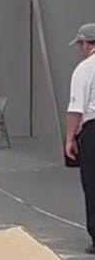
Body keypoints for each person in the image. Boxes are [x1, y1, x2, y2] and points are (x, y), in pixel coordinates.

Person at [64, 23, 95, 254]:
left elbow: (76, 109)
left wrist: (70, 138)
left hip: (93, 128)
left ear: (86, 43)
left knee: (92, 183)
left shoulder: (85, 69)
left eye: (80, 45)